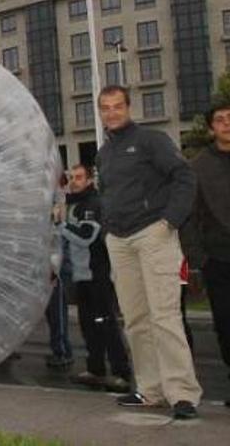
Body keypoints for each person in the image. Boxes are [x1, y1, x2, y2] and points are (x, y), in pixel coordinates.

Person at [95, 85, 201, 420]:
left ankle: (182, 393)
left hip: (153, 234)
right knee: (137, 319)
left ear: (128, 107)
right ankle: (151, 390)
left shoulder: (151, 140)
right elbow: (107, 192)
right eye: (105, 108)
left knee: (164, 316)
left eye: (117, 106)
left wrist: (170, 220)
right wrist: (108, 225)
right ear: (100, 112)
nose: (112, 113)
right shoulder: (104, 153)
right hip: (120, 240)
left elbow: (184, 177)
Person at [60, 164, 131, 392]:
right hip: (81, 276)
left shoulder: (93, 203)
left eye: (79, 177)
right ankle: (96, 368)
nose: (74, 181)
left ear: (90, 180)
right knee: (88, 325)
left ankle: (121, 372)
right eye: (71, 177)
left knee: (106, 324)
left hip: (97, 274)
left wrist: (60, 224)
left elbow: (86, 236)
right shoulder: (72, 204)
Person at [182, 100, 230, 408]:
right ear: (212, 128)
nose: (227, 123)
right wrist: (198, 259)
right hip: (219, 258)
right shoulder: (199, 166)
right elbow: (190, 216)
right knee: (226, 323)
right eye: (221, 120)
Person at [45, 173, 73, 369]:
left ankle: (62, 351)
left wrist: (54, 266)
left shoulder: (59, 200)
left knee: (56, 310)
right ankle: (60, 349)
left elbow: (59, 231)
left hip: (54, 263)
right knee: (52, 310)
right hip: (46, 260)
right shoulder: (49, 198)